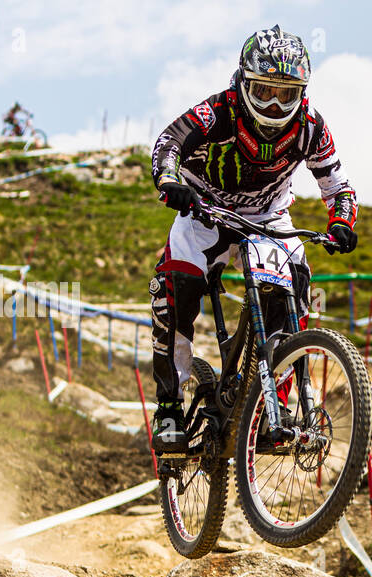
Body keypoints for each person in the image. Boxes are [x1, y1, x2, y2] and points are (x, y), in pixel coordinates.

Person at [147, 25, 358, 452]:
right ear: (242, 82)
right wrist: (170, 181)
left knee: (292, 288)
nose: (275, 104)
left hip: (268, 216)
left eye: (286, 94)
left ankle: (269, 408)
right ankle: (170, 406)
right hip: (204, 210)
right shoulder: (217, 111)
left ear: (303, 92)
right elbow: (168, 142)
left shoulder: (311, 126)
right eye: (263, 91)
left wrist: (341, 222)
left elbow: (338, 186)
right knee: (177, 288)